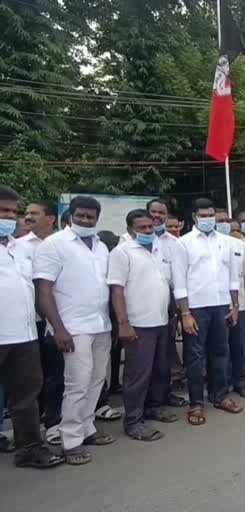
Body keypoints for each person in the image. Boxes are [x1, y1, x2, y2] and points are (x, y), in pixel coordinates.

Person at [34, 195, 115, 465]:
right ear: (70, 215)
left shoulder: (101, 246)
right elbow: (43, 291)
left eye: (91, 217)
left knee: (96, 379)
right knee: (77, 384)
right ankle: (70, 440)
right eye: (80, 215)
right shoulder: (54, 245)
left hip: (100, 323)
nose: (85, 220)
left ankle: (87, 427)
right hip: (72, 327)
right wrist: (58, 328)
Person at [0, 185, 64, 469]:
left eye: (13, 212)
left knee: (27, 395)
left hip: (24, 335)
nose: (10, 217)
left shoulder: (19, 248)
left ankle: (29, 448)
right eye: (3, 211)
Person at [108, 210, 177, 441]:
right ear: (130, 230)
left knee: (159, 369)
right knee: (138, 374)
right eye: (143, 228)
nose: (148, 231)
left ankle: (153, 407)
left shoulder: (160, 249)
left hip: (161, 321)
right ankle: (133, 421)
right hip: (138, 323)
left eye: (151, 226)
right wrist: (124, 323)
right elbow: (116, 290)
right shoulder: (122, 252)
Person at [172, 198, 242, 426]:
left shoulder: (226, 241)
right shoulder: (184, 243)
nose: (208, 219)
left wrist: (234, 305)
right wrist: (185, 313)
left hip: (221, 304)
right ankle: (196, 403)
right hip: (196, 308)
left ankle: (220, 395)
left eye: (210, 215)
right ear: (194, 217)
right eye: (203, 215)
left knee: (221, 353)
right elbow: (179, 281)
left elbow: (232, 276)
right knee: (194, 356)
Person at [16, 200, 64, 439]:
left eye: (34, 213)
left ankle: (54, 421)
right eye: (26, 213)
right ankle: (34, 426)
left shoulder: (62, 244)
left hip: (59, 320)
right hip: (28, 322)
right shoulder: (19, 247)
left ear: (51, 218)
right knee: (31, 379)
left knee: (56, 373)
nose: (28, 217)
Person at [145, 199, 189, 409]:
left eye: (161, 212)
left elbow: (180, 278)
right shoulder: (131, 241)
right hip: (144, 305)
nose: (157, 216)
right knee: (146, 356)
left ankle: (166, 393)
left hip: (170, 303)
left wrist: (181, 311)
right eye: (153, 211)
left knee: (166, 352)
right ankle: (148, 400)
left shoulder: (174, 243)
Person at [215, 211, 245, 399]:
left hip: (239, 304)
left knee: (239, 344)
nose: (224, 226)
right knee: (219, 348)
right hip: (217, 305)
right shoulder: (211, 246)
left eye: (227, 222)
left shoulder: (240, 245)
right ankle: (220, 384)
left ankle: (241, 382)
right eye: (220, 222)